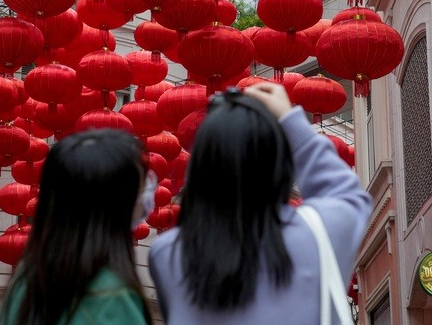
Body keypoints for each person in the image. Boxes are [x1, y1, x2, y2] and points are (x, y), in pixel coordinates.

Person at [149, 82, 373, 325]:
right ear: (279, 163)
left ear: (200, 167)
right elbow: (345, 193)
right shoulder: (317, 235)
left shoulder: (168, 255)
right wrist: (290, 119)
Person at [0, 129, 153, 325]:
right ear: (116, 202)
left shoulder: (26, 280)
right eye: (141, 186)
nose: (147, 194)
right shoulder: (110, 296)